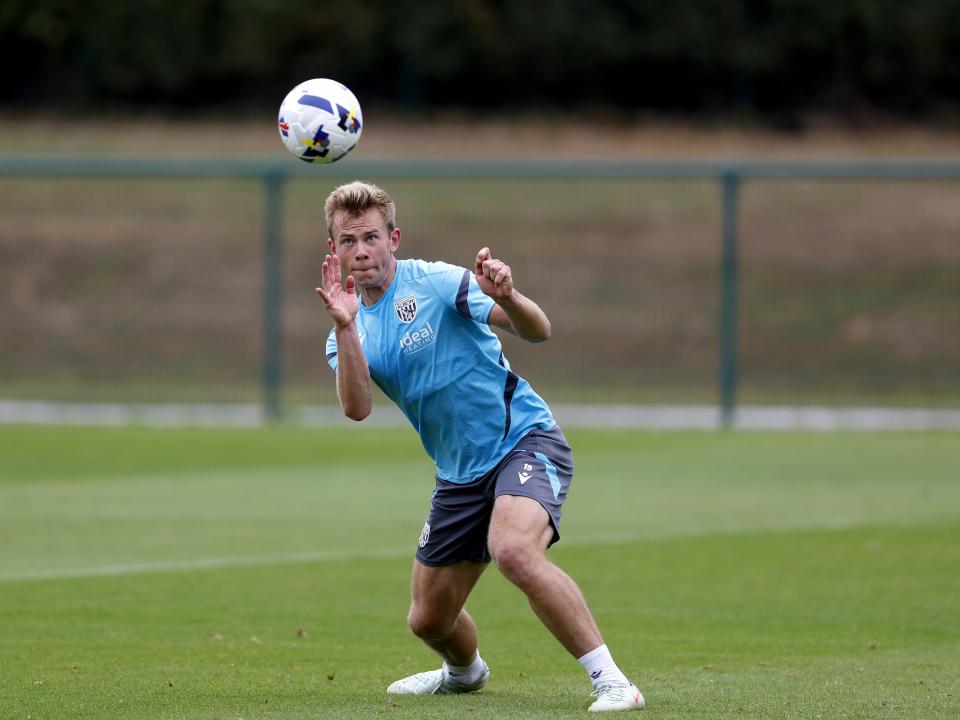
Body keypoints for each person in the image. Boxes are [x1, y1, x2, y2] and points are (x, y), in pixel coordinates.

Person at [316, 181, 645, 713]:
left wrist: (509, 296)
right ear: (333, 251)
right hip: (459, 475)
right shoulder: (344, 330)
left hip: (523, 440)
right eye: (348, 241)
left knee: (513, 550)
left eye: (371, 237)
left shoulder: (437, 283)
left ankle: (612, 682)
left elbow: (538, 332)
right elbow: (357, 408)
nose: (361, 251)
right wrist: (347, 325)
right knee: (428, 620)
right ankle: (464, 674)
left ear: (393, 238)